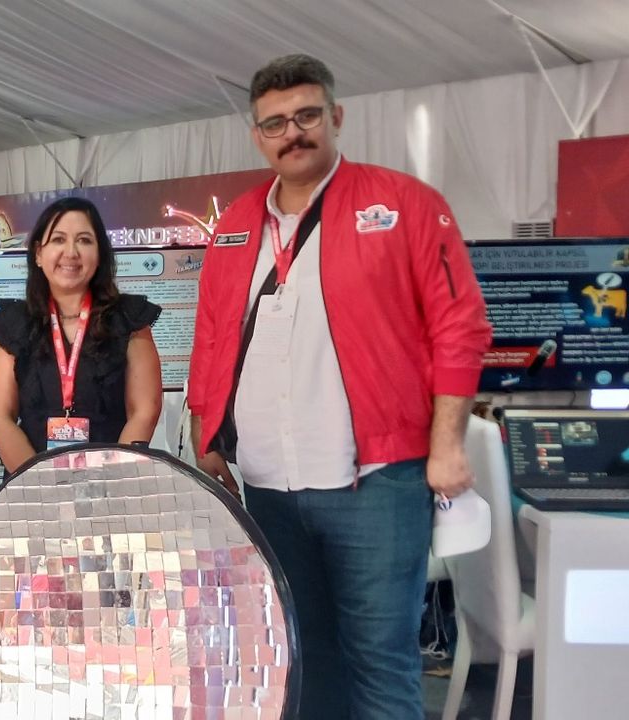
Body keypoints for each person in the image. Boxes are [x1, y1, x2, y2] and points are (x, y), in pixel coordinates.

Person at [186, 54, 491, 720]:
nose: (292, 133)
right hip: (268, 483)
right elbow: (211, 334)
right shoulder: (236, 224)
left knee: (380, 663)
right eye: (275, 123)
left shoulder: (403, 204)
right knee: (304, 659)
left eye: (306, 116)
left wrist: (447, 445)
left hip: (376, 482)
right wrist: (206, 431)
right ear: (257, 135)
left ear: (335, 116)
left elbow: (459, 326)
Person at [0, 197, 163, 473]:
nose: (71, 252)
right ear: (38, 254)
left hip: (113, 483)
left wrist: (110, 482)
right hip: (31, 485)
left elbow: (145, 411)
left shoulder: (129, 320)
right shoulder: (15, 323)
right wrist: (38, 484)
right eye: (58, 239)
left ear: (100, 254)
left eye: (84, 240)